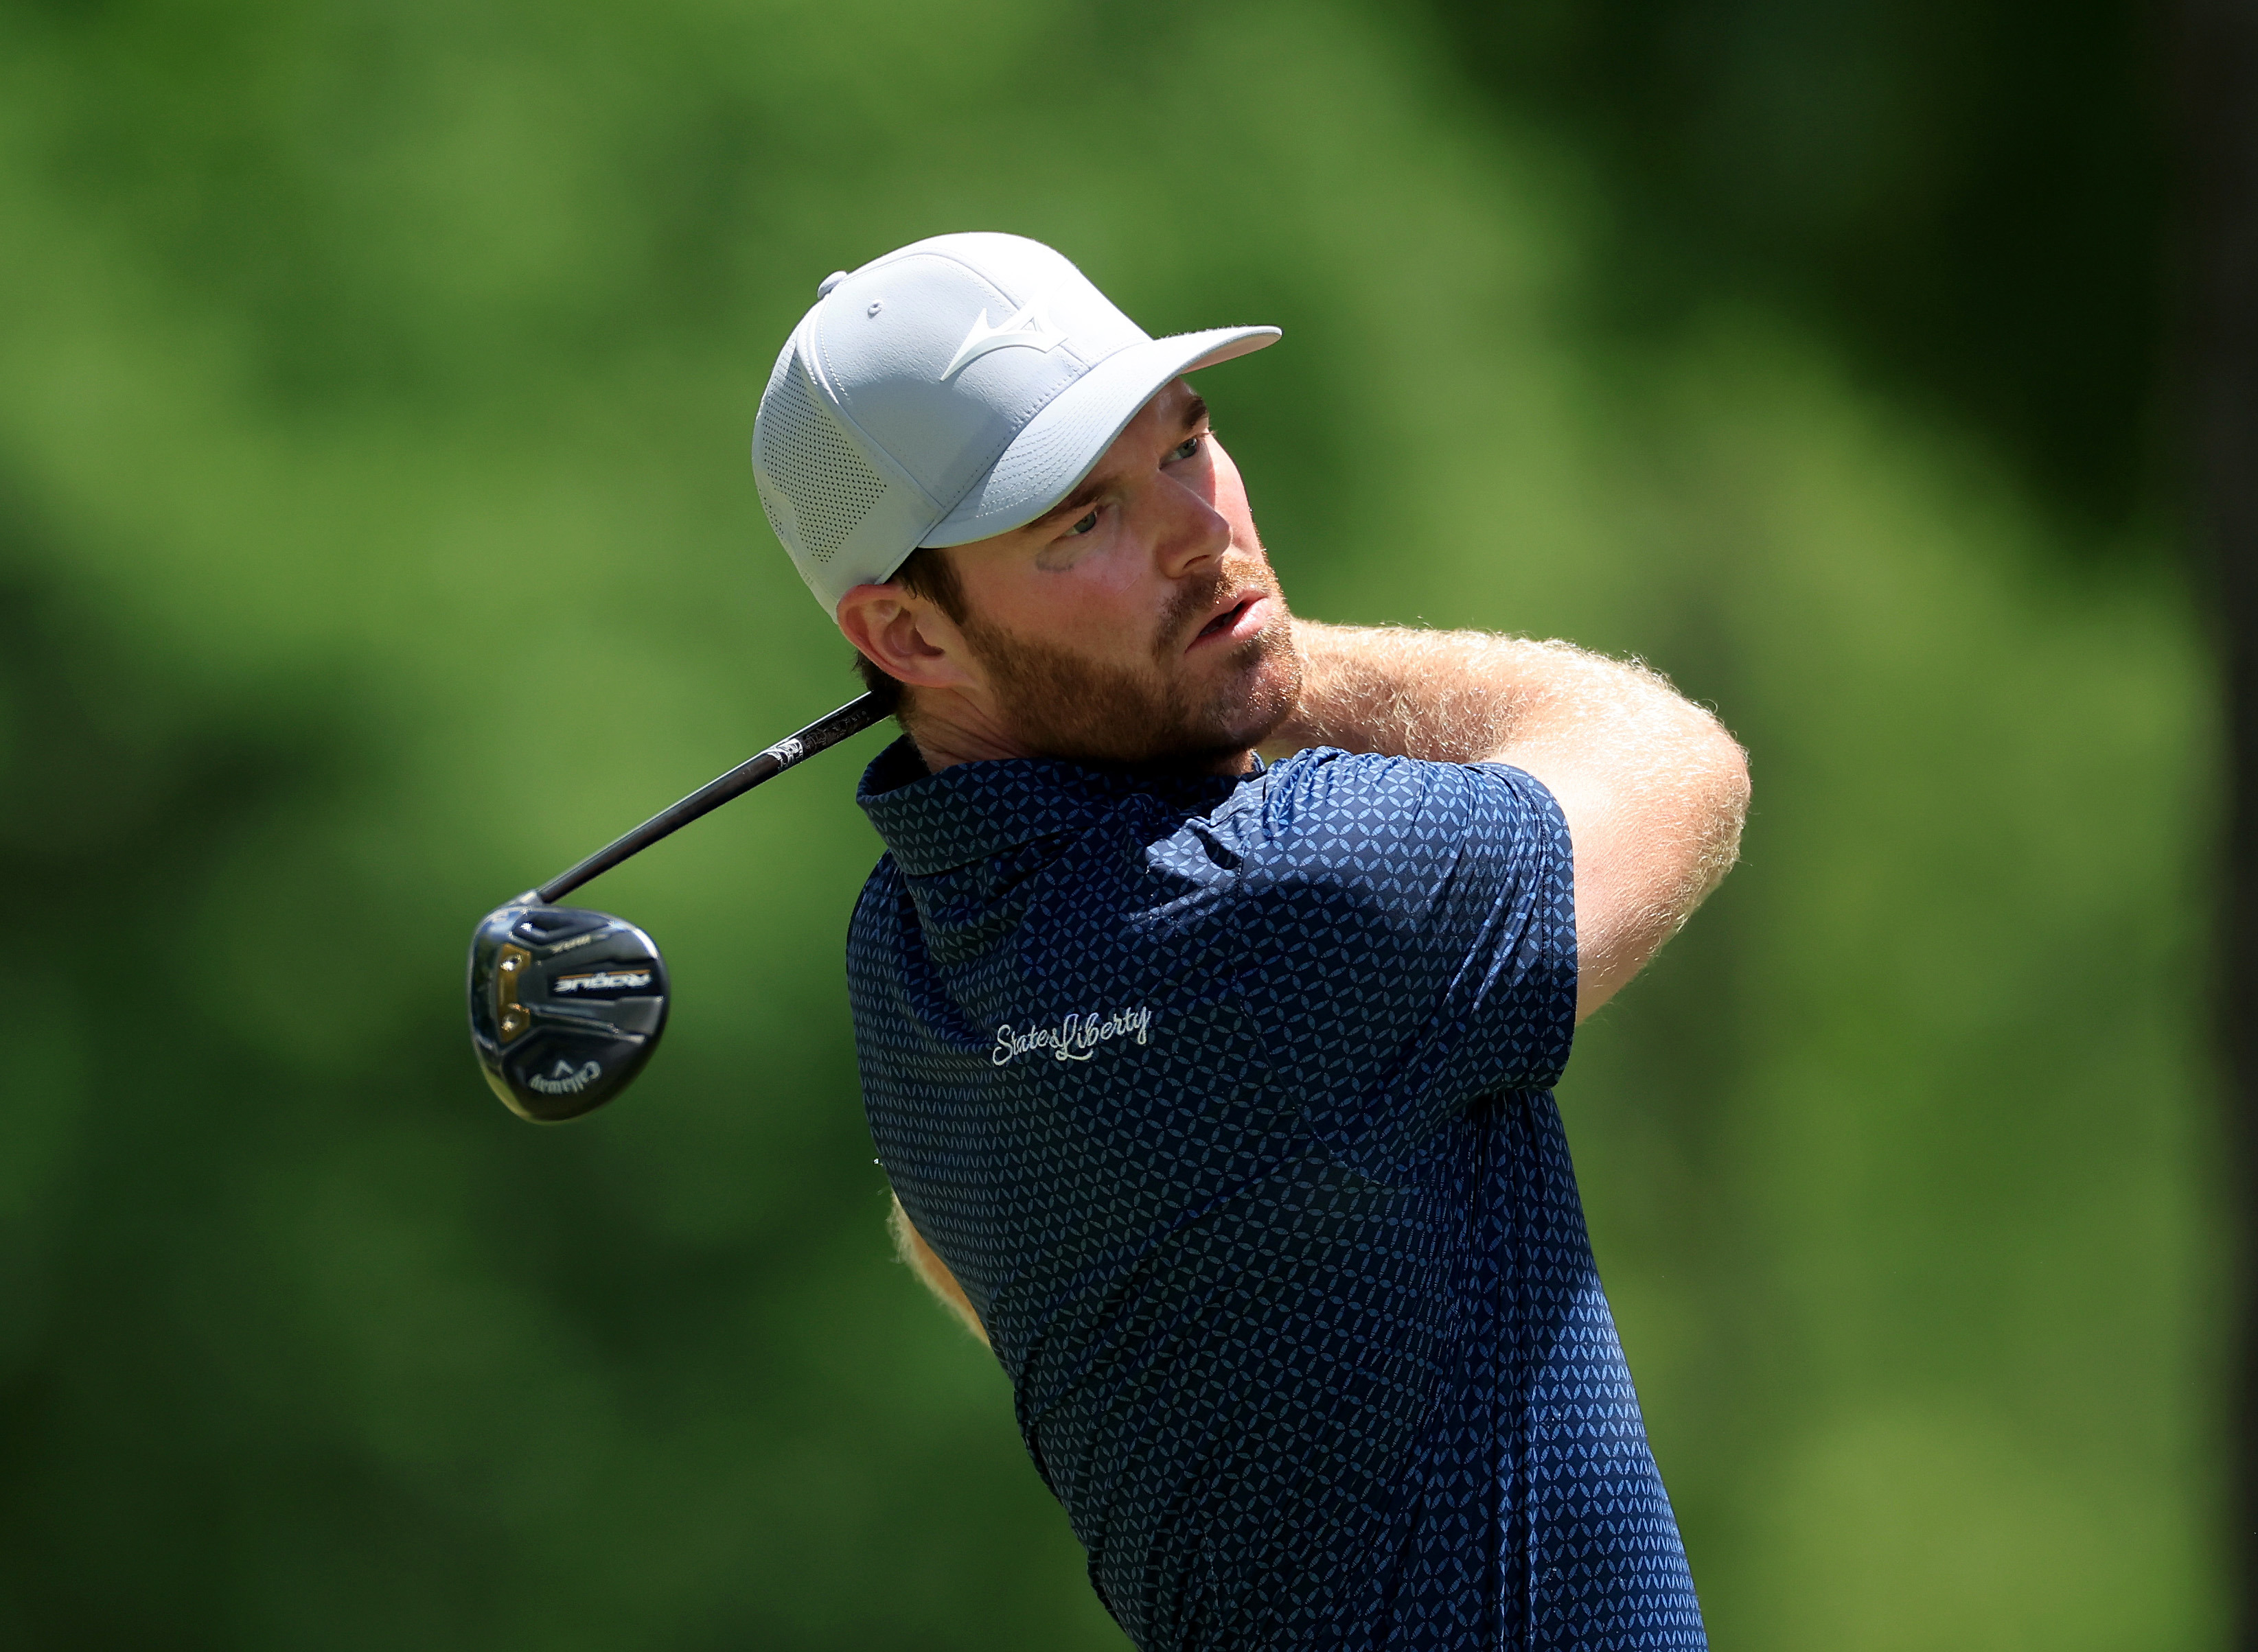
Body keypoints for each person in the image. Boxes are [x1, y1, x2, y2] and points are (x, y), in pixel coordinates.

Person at [751, 233, 1748, 1651]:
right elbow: (1671, 763)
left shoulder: (909, 966)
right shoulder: (1284, 892)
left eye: (1185, 441)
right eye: (1080, 518)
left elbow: (951, 1246)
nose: (1195, 531)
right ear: (906, 632)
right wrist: (1275, 662)